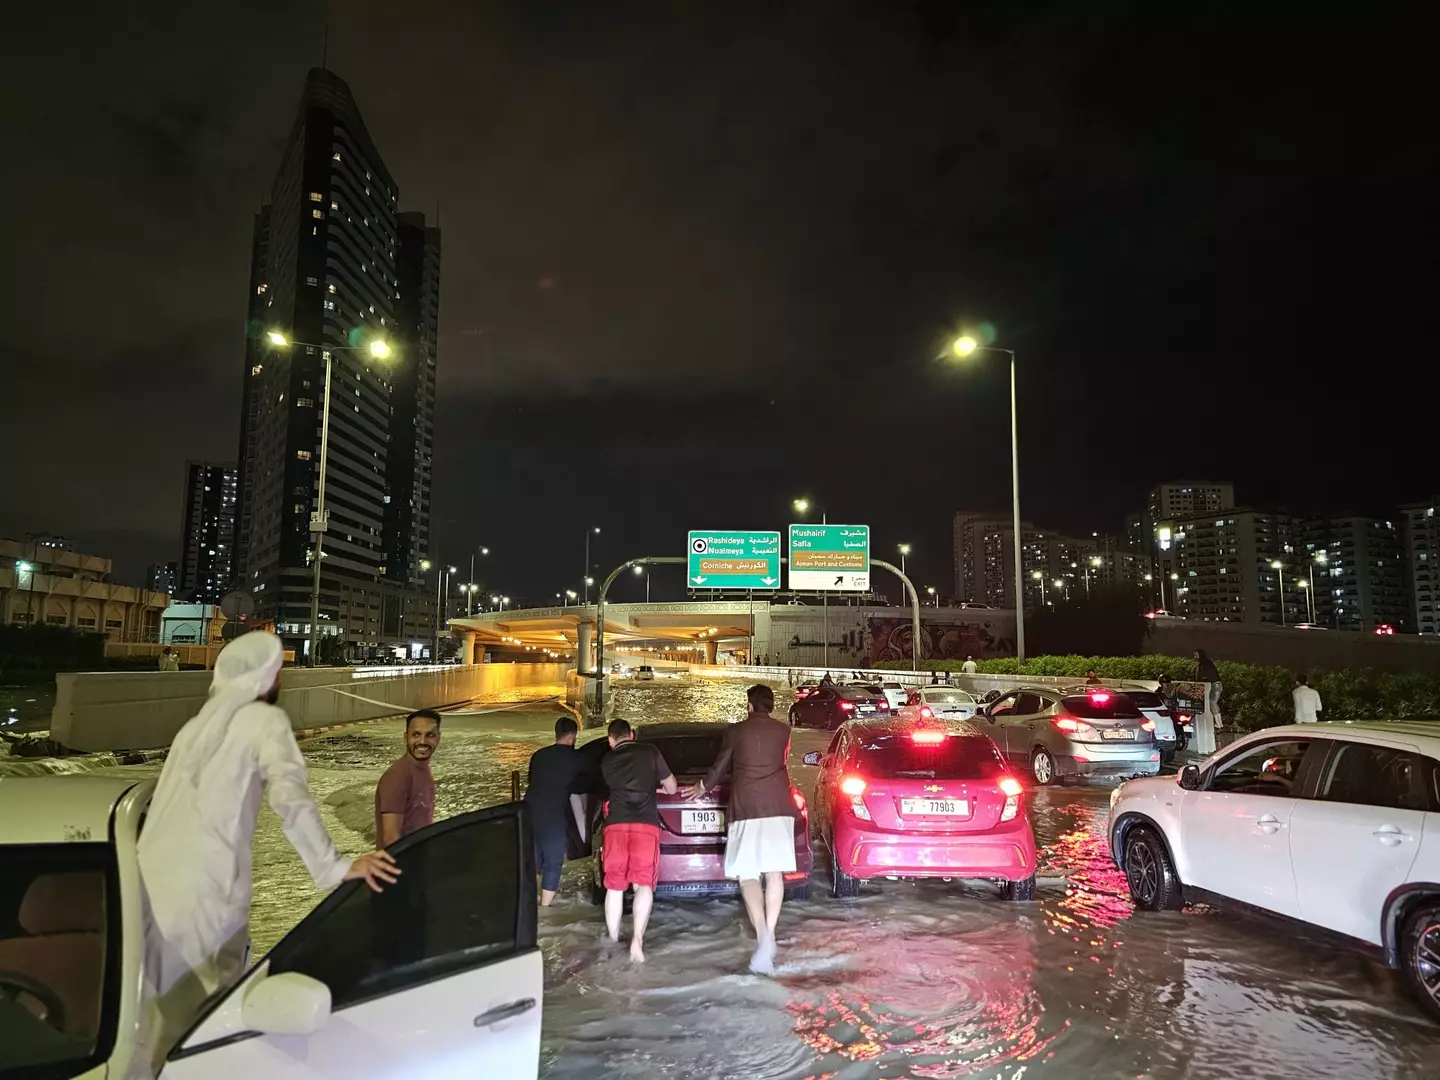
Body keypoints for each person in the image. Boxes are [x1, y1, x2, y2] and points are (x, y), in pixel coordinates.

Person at [137, 631, 397, 1068]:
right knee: (201, 1027)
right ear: (266, 678)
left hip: (149, 890)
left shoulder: (192, 730)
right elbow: (291, 799)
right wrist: (334, 867)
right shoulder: (263, 721)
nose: (281, 681)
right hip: (209, 893)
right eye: (278, 673)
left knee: (151, 1020)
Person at [684, 684, 798, 975]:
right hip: (779, 806)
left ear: (749, 705)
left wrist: (701, 787)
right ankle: (771, 930)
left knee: (748, 874)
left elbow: (721, 765)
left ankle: (762, 935)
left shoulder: (735, 732)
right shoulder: (784, 731)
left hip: (747, 808)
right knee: (775, 873)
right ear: (771, 706)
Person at [600, 718, 677, 962]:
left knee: (614, 886)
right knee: (643, 884)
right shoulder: (650, 752)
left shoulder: (607, 760)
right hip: (646, 826)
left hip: (615, 826)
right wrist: (657, 788)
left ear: (611, 740)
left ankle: (613, 940)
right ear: (632, 735)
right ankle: (637, 942)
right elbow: (672, 787)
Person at [524, 716, 584, 905]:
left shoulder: (539, 755)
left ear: (556, 733)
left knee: (532, 862)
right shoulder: (577, 758)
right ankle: (545, 910)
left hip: (528, 813)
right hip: (553, 816)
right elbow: (585, 783)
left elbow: (531, 780)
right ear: (573, 736)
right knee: (552, 864)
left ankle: (530, 907)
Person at [375, 709, 442, 847]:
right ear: (406, 738)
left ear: (438, 738)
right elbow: (391, 840)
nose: (422, 741)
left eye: (430, 735)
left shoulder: (422, 769)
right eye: (416, 735)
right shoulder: (397, 777)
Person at [1194, 649, 1223, 729]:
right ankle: (1219, 723)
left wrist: (1200, 681)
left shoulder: (1205, 663)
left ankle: (1218, 723)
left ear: (1200, 654)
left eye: (1196, 655)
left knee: (1212, 702)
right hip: (1216, 684)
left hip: (1214, 684)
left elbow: (1205, 675)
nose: (1195, 656)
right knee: (1214, 703)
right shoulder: (1205, 663)